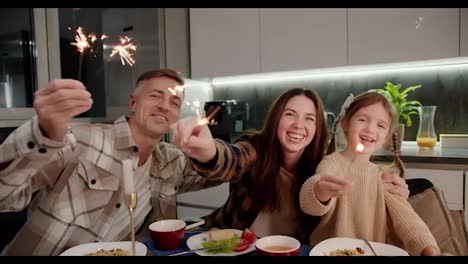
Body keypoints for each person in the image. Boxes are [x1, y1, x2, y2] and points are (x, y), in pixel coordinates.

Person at [0, 69, 222, 256]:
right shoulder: (80, 140)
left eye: (174, 102)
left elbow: (223, 172)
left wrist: (210, 152)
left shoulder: (172, 161)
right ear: (133, 102)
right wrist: (43, 133)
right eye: (155, 96)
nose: (165, 106)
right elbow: (4, 197)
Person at [170, 88, 410, 243]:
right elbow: (231, 159)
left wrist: (391, 191)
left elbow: (356, 196)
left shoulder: (322, 165)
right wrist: (208, 151)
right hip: (234, 243)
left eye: (309, 118)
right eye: (290, 114)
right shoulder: (256, 147)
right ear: (276, 119)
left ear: (318, 128)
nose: (298, 125)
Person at [299, 91, 440, 256]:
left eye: (381, 125)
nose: (370, 129)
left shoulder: (383, 177)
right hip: (327, 252)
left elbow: (409, 222)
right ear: (345, 123)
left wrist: (431, 251)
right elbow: (311, 206)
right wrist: (320, 191)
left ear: (387, 136)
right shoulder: (332, 164)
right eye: (362, 120)